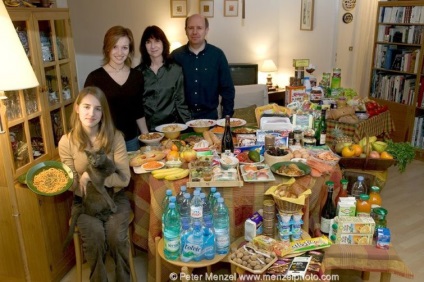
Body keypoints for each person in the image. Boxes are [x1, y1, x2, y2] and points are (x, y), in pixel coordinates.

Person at [58, 86, 131, 281]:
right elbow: (72, 184)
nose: (91, 113)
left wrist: (91, 177)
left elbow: (124, 178)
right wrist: (71, 180)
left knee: (116, 236)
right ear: (77, 108)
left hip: (115, 199)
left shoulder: (115, 137)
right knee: (95, 237)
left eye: (98, 108)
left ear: (103, 113)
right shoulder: (66, 141)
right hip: (84, 203)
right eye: (87, 107)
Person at [84, 25, 148, 151]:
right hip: (104, 142)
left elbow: (138, 109)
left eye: (124, 47)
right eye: (115, 47)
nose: (120, 53)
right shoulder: (95, 78)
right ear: (107, 48)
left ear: (130, 50)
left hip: (131, 141)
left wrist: (147, 136)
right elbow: (87, 112)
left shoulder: (137, 76)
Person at [171, 14, 235, 120]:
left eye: (199, 28)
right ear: (185, 30)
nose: (195, 32)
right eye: (191, 28)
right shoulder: (175, 56)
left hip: (210, 118)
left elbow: (227, 90)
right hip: (182, 119)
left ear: (206, 30)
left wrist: (226, 119)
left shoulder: (217, 55)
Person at [137, 25, 191, 131]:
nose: (153, 46)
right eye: (148, 42)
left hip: (171, 129)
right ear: (144, 46)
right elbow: (136, 107)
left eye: (157, 41)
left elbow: (180, 102)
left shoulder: (176, 70)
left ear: (163, 43)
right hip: (146, 131)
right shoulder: (137, 73)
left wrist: (190, 127)